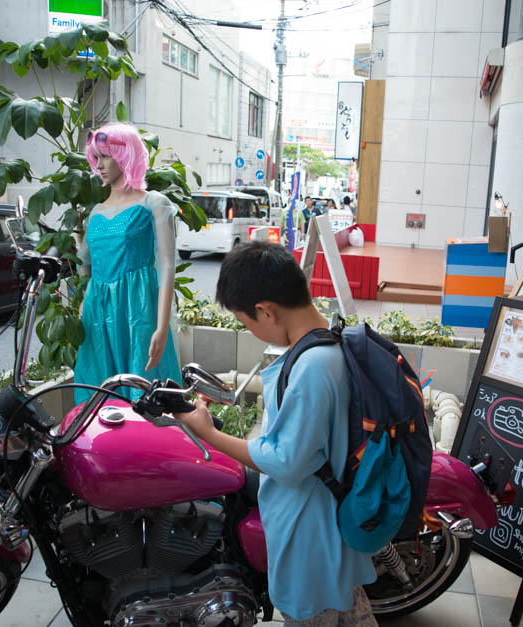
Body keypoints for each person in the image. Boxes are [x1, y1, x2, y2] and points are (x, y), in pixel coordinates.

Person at [175, 242, 377, 626]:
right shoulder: (330, 341)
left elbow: (286, 461)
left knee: (316, 613)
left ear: (267, 310)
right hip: (329, 527)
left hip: (312, 534)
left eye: (246, 321)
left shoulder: (313, 367)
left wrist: (208, 433)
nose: (249, 330)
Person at [73, 123, 181, 404]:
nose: (100, 165)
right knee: (99, 393)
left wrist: (161, 325)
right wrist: (84, 300)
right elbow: (84, 261)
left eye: (106, 156)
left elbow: (167, 266)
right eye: (96, 157)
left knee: (143, 392)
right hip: (97, 312)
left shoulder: (153, 203)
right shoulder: (94, 213)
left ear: (126, 155)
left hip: (138, 310)